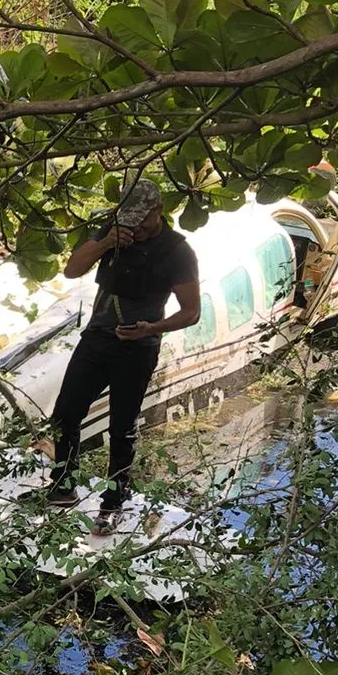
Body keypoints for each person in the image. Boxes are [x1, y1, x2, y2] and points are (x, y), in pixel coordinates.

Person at [48, 179, 200, 529]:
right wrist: (105, 243)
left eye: (142, 221)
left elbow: (191, 312)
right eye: (129, 221)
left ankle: (113, 501)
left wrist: (150, 329)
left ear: (158, 210)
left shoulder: (177, 251)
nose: (137, 229)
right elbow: (72, 270)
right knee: (66, 413)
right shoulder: (113, 232)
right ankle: (62, 485)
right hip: (97, 337)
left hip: (138, 347)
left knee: (122, 427)